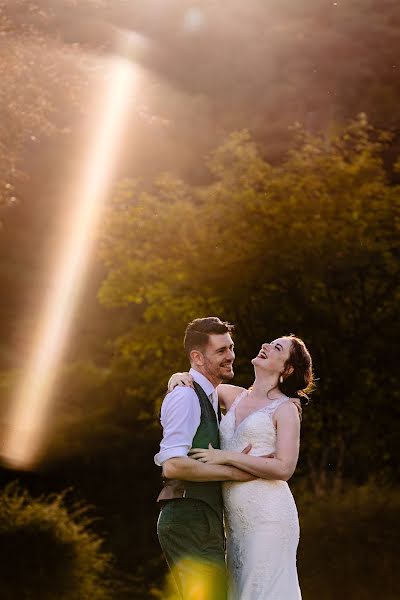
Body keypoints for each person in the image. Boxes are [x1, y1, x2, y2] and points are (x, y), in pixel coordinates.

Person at [168, 334, 314, 600]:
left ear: (287, 369)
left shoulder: (285, 410)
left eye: (277, 347)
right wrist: (177, 378)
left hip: (269, 514)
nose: (266, 345)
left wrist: (226, 457)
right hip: (235, 518)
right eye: (269, 342)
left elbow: (284, 468)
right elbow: (200, 383)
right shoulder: (231, 395)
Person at [155, 317, 254, 600]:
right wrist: (234, 472)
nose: (231, 356)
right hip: (189, 515)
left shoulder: (210, 394)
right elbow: (172, 464)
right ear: (197, 357)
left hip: (203, 516)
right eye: (221, 351)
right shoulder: (185, 395)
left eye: (231, 347)